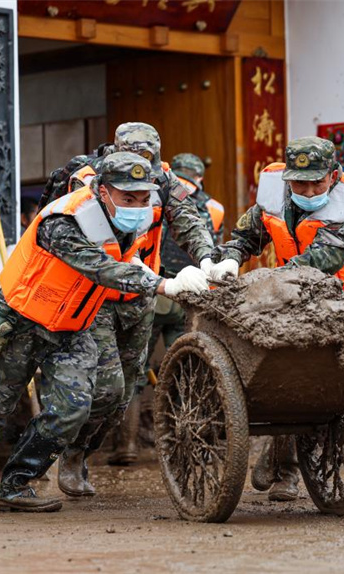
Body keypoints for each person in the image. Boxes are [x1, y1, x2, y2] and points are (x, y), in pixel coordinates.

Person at [0, 153, 209, 512]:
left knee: (73, 407)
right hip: (24, 320)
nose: (138, 206)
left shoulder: (123, 222)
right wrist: (162, 285)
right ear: (102, 190)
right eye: (128, 198)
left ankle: (17, 482)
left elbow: (124, 259)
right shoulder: (64, 220)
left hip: (73, 325)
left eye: (144, 199)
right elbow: (100, 268)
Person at [208, 136, 344, 502]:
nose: (305, 190)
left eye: (314, 183)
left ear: (333, 176)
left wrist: (265, 283)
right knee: (285, 373)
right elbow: (246, 236)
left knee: (340, 386)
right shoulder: (273, 194)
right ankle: (284, 467)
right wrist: (229, 258)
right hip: (286, 297)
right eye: (298, 183)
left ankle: (287, 461)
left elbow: (322, 261)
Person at [54, 124, 217, 496]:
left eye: (147, 165)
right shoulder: (86, 182)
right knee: (108, 388)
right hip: (95, 297)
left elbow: (188, 220)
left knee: (126, 390)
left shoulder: (165, 180)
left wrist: (208, 258)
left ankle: (83, 449)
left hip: (139, 300)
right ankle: (73, 454)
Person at [146, 153, 226, 393]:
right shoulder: (215, 208)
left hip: (156, 289)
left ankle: (131, 427)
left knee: (136, 367)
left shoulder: (151, 196)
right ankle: (182, 424)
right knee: (185, 368)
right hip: (192, 295)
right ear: (200, 177)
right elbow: (217, 253)